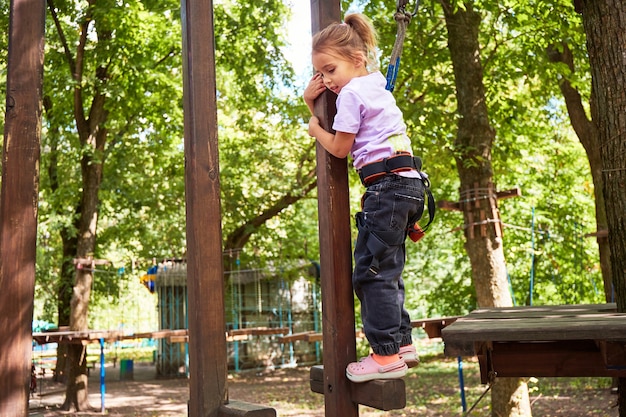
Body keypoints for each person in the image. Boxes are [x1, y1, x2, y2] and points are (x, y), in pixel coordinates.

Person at [303, 13, 429, 383]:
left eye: (331, 70)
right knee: (387, 268)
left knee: (370, 275)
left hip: (387, 188)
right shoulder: (375, 84)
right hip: (408, 186)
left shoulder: (352, 93)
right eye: (321, 75)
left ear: (356, 59)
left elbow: (340, 147)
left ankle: (385, 355)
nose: (327, 81)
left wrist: (313, 125)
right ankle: (402, 344)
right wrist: (315, 102)